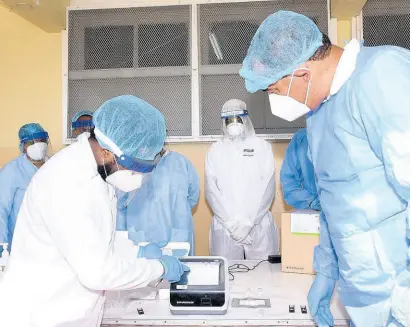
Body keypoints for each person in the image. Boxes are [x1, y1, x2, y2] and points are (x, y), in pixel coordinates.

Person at [240, 10, 409, 327]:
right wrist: (327, 272)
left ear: (302, 74)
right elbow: (335, 203)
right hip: (363, 295)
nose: (276, 105)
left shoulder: (383, 75)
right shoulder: (319, 114)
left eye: (275, 91)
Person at [0, 95, 189, 327]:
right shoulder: (69, 182)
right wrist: (157, 268)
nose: (139, 180)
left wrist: (135, 252)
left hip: (71, 307)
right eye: (136, 169)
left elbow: (96, 238)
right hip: (43, 314)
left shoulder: (98, 170)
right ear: (109, 152)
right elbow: (97, 271)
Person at [205, 99, 279, 260]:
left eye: (237, 119)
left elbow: (268, 188)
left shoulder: (262, 147)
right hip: (226, 227)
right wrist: (232, 226)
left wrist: (249, 223)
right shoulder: (215, 150)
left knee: (263, 275)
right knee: (227, 275)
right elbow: (211, 192)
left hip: (257, 225)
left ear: (245, 119)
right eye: (228, 120)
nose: (233, 124)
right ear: (223, 122)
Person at [116, 149, 200, 255]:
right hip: (139, 242)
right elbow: (120, 205)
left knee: (179, 268)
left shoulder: (181, 162)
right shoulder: (127, 165)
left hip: (178, 239)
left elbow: (192, 197)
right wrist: (121, 239)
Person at [0, 123, 50, 250]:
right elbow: (1, 210)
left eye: (40, 140)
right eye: (31, 142)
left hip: (49, 240)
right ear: (23, 146)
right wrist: (2, 245)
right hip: (20, 242)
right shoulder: (11, 171)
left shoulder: (53, 165)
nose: (37, 145)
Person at [280, 128, 320, 210]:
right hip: (311, 213)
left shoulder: (346, 134)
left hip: (347, 212)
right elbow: (289, 183)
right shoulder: (302, 138)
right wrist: (311, 202)